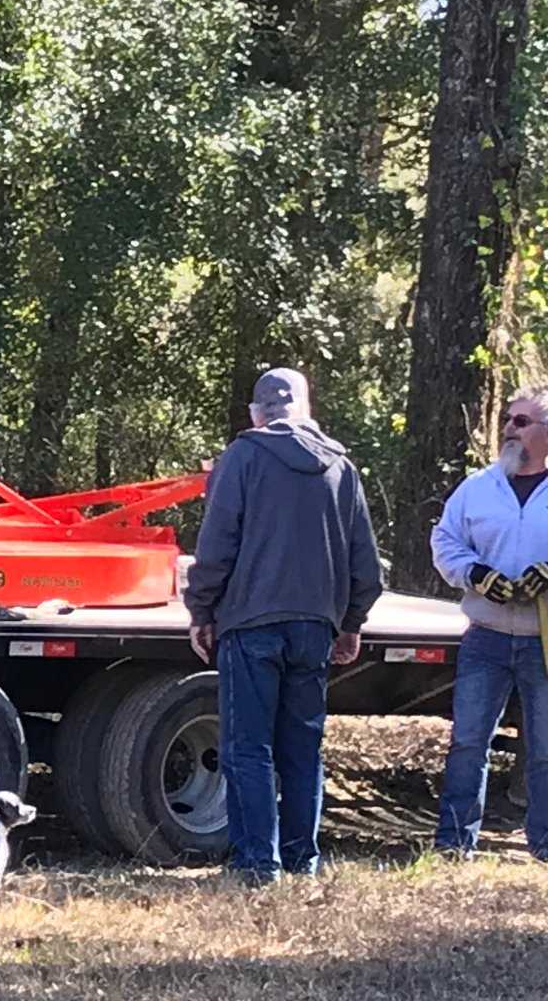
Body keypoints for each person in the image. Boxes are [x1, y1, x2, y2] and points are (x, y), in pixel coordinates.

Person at [184, 367, 384, 884]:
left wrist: (201, 609)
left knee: (248, 747)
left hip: (251, 621)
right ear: (306, 409)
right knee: (302, 748)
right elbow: (366, 562)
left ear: (258, 413)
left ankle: (257, 865)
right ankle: (301, 860)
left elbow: (218, 542)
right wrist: (351, 621)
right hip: (316, 627)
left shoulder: (243, 456)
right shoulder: (341, 466)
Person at [430, 387, 548, 861]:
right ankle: (455, 843)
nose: (508, 429)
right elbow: (445, 542)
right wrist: (476, 574)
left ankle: (543, 843)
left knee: (544, 747)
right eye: (506, 420)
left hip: (544, 642)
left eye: (521, 422)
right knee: (468, 742)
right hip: (486, 636)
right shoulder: (478, 487)